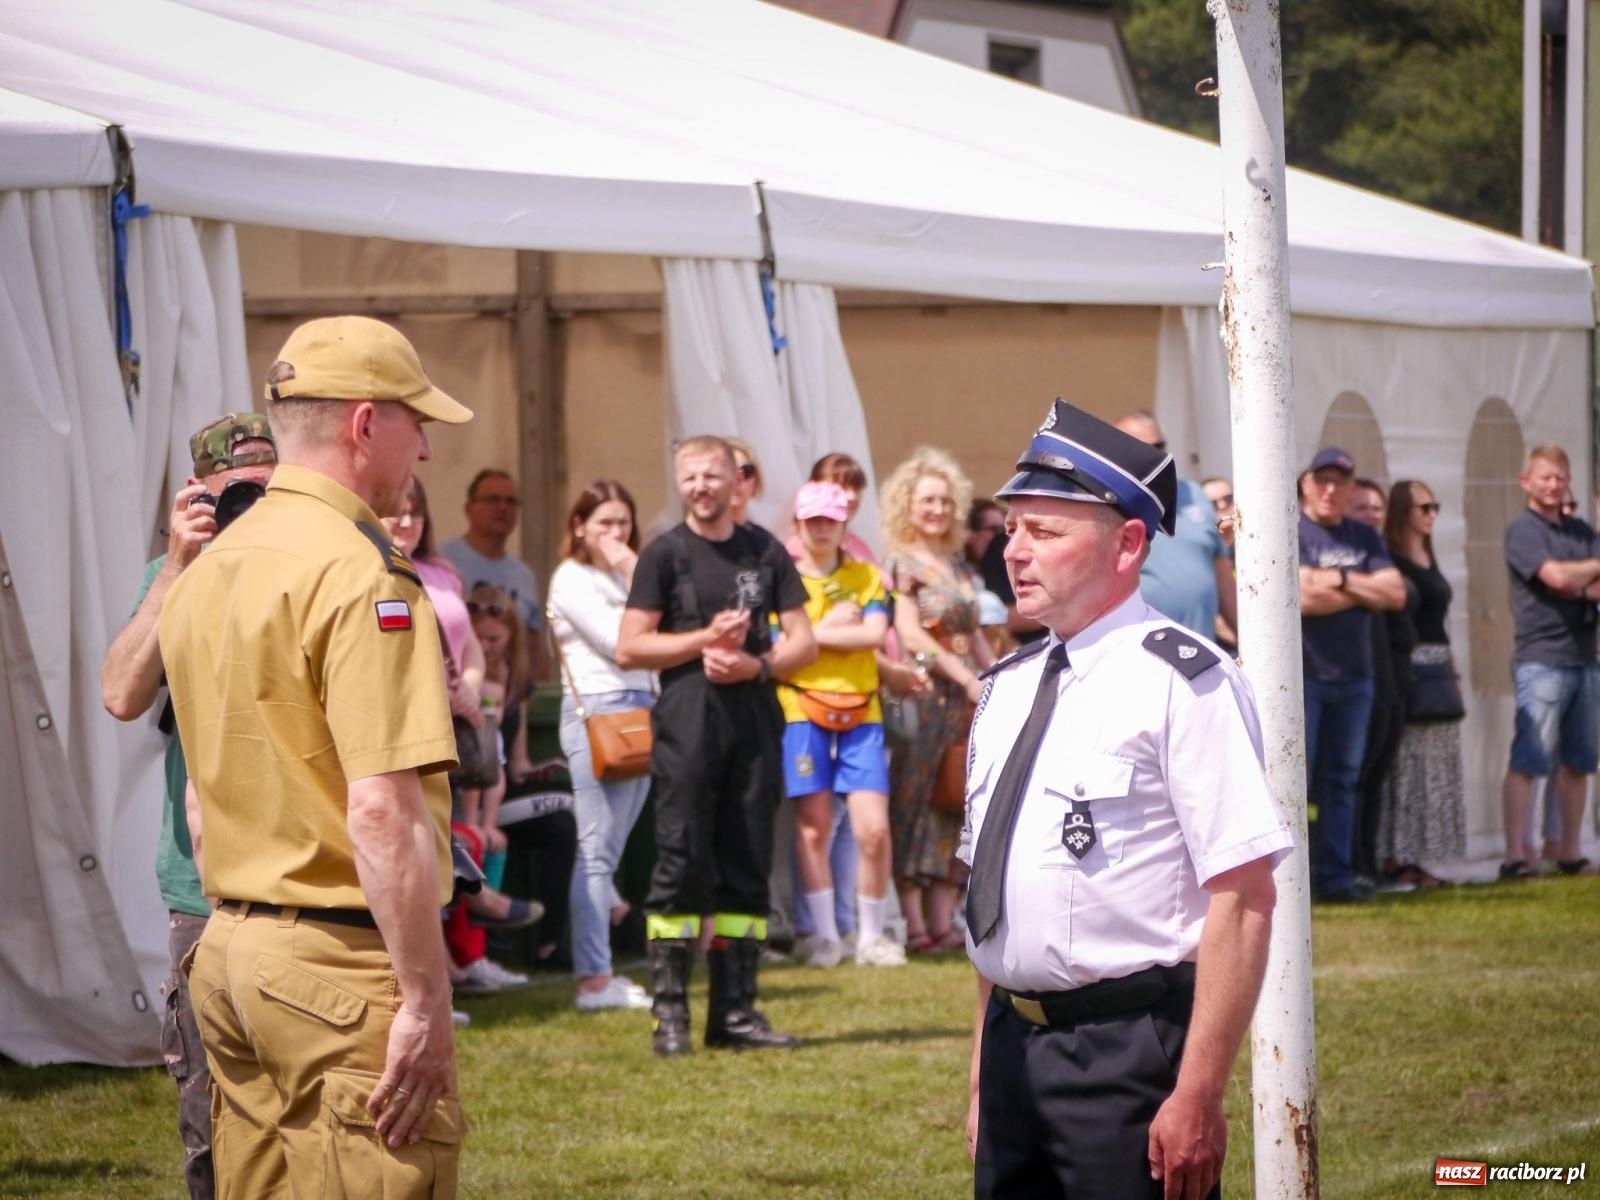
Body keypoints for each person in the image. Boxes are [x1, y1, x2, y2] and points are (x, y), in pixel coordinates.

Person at [158, 316, 472, 1195]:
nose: (427, 454)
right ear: (365, 423)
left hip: (228, 949)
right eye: (420, 424)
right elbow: (381, 807)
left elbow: (197, 797)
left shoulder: (207, 569)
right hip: (335, 965)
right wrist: (422, 998)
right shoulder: (363, 571)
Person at [961, 399, 1291, 1200]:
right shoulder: (1005, 689)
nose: (1017, 553)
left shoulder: (1185, 681)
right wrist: (981, 1073)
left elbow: (1245, 896)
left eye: (1046, 533)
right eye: (1013, 530)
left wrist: (1200, 1093)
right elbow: (991, 893)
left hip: (1127, 1054)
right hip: (1014, 1045)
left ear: (1128, 544)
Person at [100, 411, 278, 1200]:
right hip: (200, 891)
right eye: (238, 492)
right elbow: (120, 693)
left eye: (272, 490)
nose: (256, 507)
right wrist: (178, 564)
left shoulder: (314, 565)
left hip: (299, 883)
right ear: (197, 494)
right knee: (210, 1124)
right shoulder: (173, 576)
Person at [616, 434, 817, 1055]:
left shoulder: (765, 551)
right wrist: (704, 640)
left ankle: (734, 1012)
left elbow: (804, 643)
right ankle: (669, 1015)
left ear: (737, 481)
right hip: (688, 719)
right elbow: (631, 645)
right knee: (679, 859)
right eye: (690, 477)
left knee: (747, 862)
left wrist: (756, 668)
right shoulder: (663, 555)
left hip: (754, 718)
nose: (701, 487)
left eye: (712, 476)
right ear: (680, 484)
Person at [781, 481, 904, 968]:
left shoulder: (867, 576)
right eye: (813, 520)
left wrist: (811, 636)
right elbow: (780, 655)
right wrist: (831, 626)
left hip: (861, 709)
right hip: (800, 708)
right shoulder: (783, 580)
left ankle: (870, 936)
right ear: (798, 524)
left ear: (844, 524)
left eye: (830, 519)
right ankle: (827, 937)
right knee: (812, 829)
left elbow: (875, 633)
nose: (822, 528)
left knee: (872, 829)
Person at [880, 447, 996, 952]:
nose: (937, 509)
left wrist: (994, 677)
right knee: (915, 799)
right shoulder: (902, 564)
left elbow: (973, 635)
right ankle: (914, 923)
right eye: (928, 500)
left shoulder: (958, 566)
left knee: (957, 799)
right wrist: (964, 677)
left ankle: (945, 919)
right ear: (908, 504)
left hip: (965, 700)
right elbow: (910, 634)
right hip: (925, 694)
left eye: (946, 501)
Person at [547, 479, 656, 1011]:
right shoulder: (573, 577)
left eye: (623, 523)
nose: (616, 534)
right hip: (600, 711)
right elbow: (624, 645)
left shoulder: (620, 576)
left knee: (609, 851)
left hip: (640, 710)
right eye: (604, 523)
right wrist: (638, 570)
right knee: (595, 851)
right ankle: (593, 979)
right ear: (579, 526)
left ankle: (601, 969)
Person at [1298, 447, 1406, 903]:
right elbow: (1298, 598)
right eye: (1322, 480)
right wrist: (1363, 589)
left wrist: (1337, 581)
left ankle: (1335, 879)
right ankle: (1292, 882)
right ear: (1305, 484)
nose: (1330, 490)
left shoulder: (1364, 536)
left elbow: (1396, 593)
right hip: (1302, 677)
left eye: (1339, 482)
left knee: (1342, 779)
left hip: (1355, 677)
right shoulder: (1291, 531)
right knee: (1293, 781)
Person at [1499, 445, 1600, 879]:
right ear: (1526, 481)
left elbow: (1579, 585)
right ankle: (1516, 855)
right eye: (1545, 477)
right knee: (1530, 757)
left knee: (1579, 760)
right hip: (1541, 657)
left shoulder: (1580, 531)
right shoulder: (1523, 531)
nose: (1554, 485)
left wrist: (1575, 582)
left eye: (1560, 477)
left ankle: (1570, 851)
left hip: (1584, 657)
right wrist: (1582, 575)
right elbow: (1553, 577)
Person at [1381, 479, 1463, 886]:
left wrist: (1453, 668)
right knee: (1408, 765)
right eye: (1424, 508)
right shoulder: (1394, 558)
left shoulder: (1427, 556)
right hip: (1412, 665)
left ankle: (1420, 853)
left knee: (1434, 766)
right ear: (1404, 513)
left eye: (1435, 507)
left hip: (1438, 663)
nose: (1431, 515)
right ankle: (1398, 855)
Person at [1114, 411, 1237, 642]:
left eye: (1159, 445)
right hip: (1137, 651)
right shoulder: (1110, 504)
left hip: (1201, 652)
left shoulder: (1194, 494)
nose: (1153, 455)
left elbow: (1223, 580)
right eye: (1141, 447)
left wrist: (1250, 640)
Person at [1349, 478, 1418, 887]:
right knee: (1352, 779)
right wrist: (1356, 586)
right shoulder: (1350, 555)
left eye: (1378, 507)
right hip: (1365, 679)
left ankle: (1369, 865)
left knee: (1375, 778)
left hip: (1394, 681)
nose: (1372, 514)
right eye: (1363, 508)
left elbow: (1395, 596)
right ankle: (1352, 865)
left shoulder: (1385, 556)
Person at [442, 469, 546, 682]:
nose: (502, 508)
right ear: (468, 508)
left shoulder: (523, 574)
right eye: (492, 500)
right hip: (455, 691)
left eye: (511, 502)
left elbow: (533, 644)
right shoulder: (443, 562)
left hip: (508, 698)